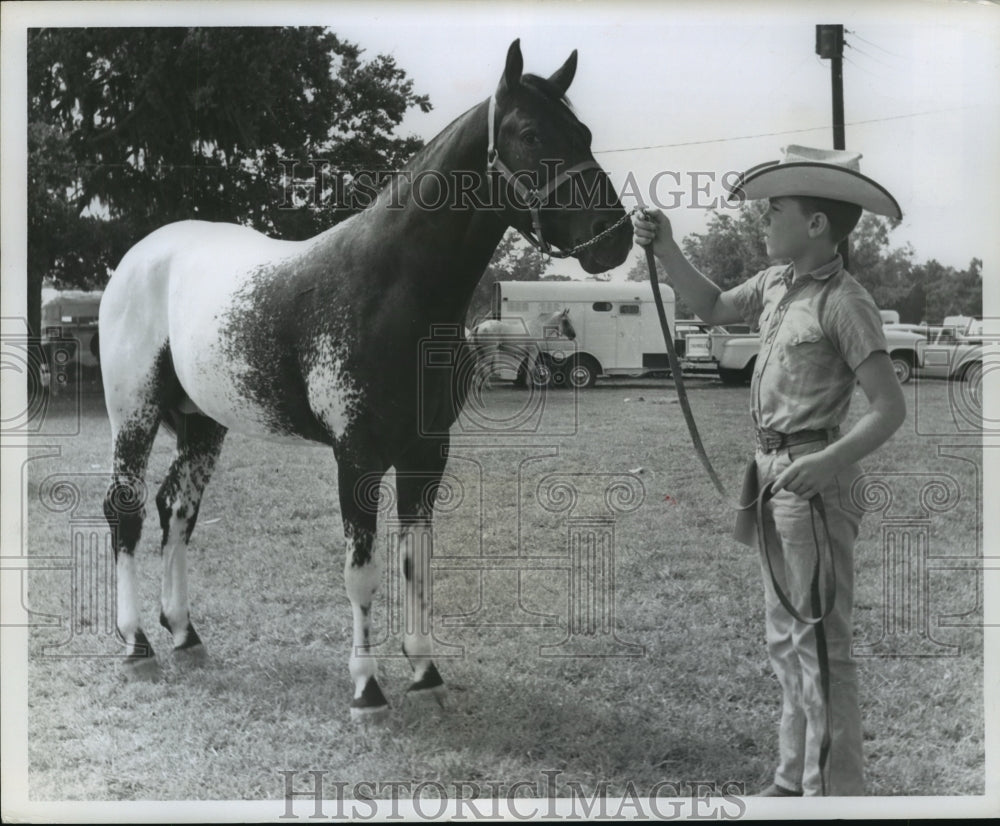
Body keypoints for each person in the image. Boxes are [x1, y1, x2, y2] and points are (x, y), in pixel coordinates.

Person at [633, 145, 907, 797]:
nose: (763, 221)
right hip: (770, 475)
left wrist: (829, 461)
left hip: (815, 482)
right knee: (785, 639)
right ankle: (792, 781)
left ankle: (836, 798)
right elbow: (711, 306)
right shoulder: (776, 283)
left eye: (775, 210)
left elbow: (888, 407)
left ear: (816, 225)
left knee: (822, 651)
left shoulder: (846, 301)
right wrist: (667, 248)